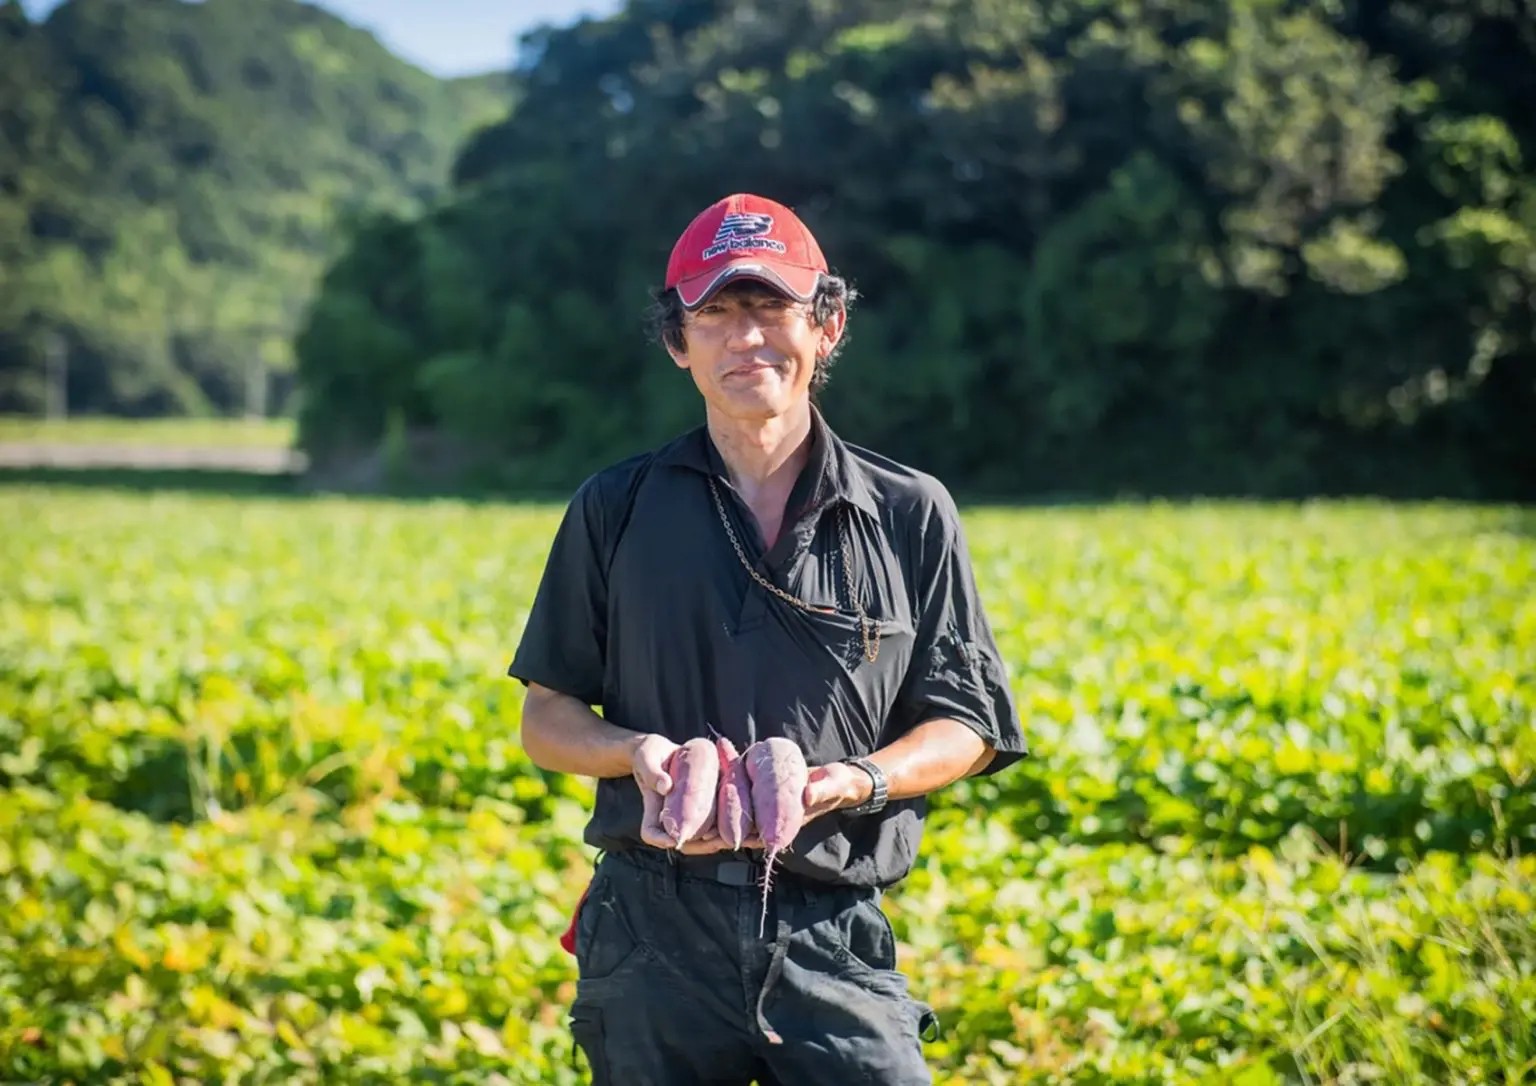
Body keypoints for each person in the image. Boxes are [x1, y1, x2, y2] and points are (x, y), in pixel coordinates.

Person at [508, 192, 1028, 1085]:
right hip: (651, 933)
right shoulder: (616, 506)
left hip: (831, 928)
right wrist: (639, 755)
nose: (745, 338)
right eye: (714, 313)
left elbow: (969, 723)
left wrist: (856, 781)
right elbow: (546, 717)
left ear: (825, 325)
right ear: (678, 342)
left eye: (771, 308)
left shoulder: (907, 511)